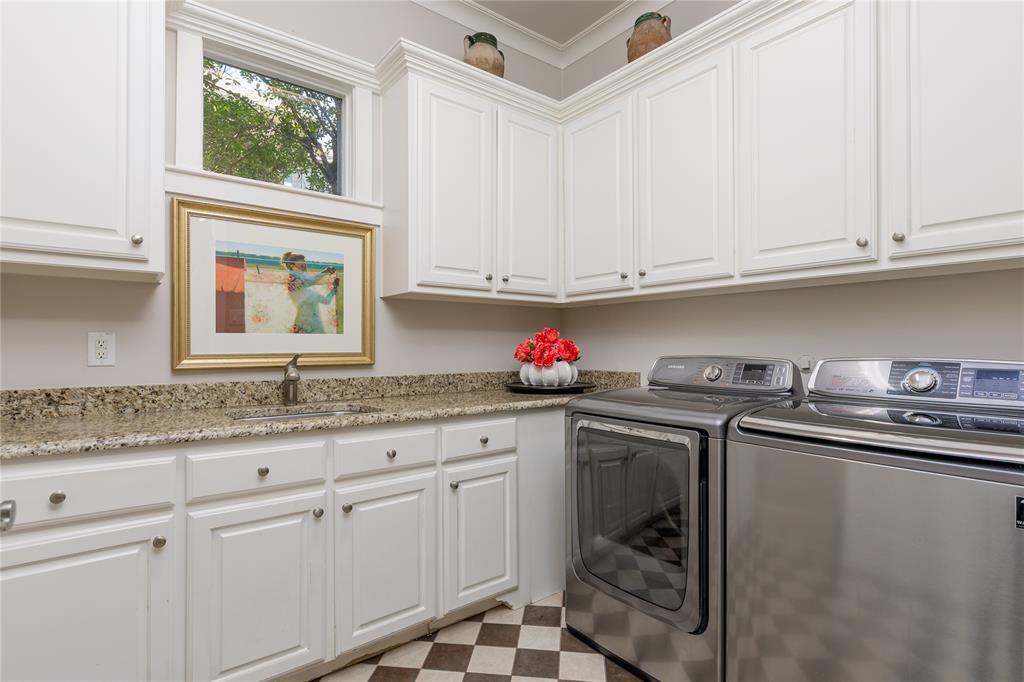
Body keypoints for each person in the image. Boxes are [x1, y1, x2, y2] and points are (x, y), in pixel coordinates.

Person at [280, 251, 340, 333]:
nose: (305, 266)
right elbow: (310, 280)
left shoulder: (310, 293)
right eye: (301, 265)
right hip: (304, 322)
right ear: (292, 265)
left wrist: (334, 288)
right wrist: (325, 272)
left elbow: (326, 301)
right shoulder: (292, 277)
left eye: (305, 264)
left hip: (313, 322)